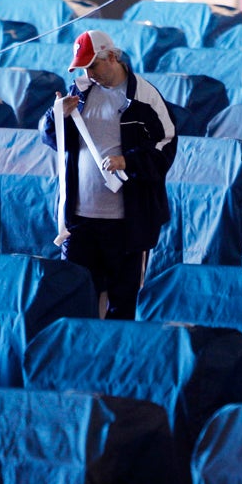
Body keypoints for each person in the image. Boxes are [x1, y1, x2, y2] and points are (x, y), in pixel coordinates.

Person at [42, 29, 177, 320]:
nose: (89, 73)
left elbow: (165, 147)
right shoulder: (78, 91)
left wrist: (128, 162)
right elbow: (52, 141)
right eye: (84, 67)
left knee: (123, 304)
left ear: (112, 57)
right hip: (79, 221)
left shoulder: (145, 97)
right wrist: (56, 116)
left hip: (127, 224)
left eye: (93, 65)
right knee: (75, 298)